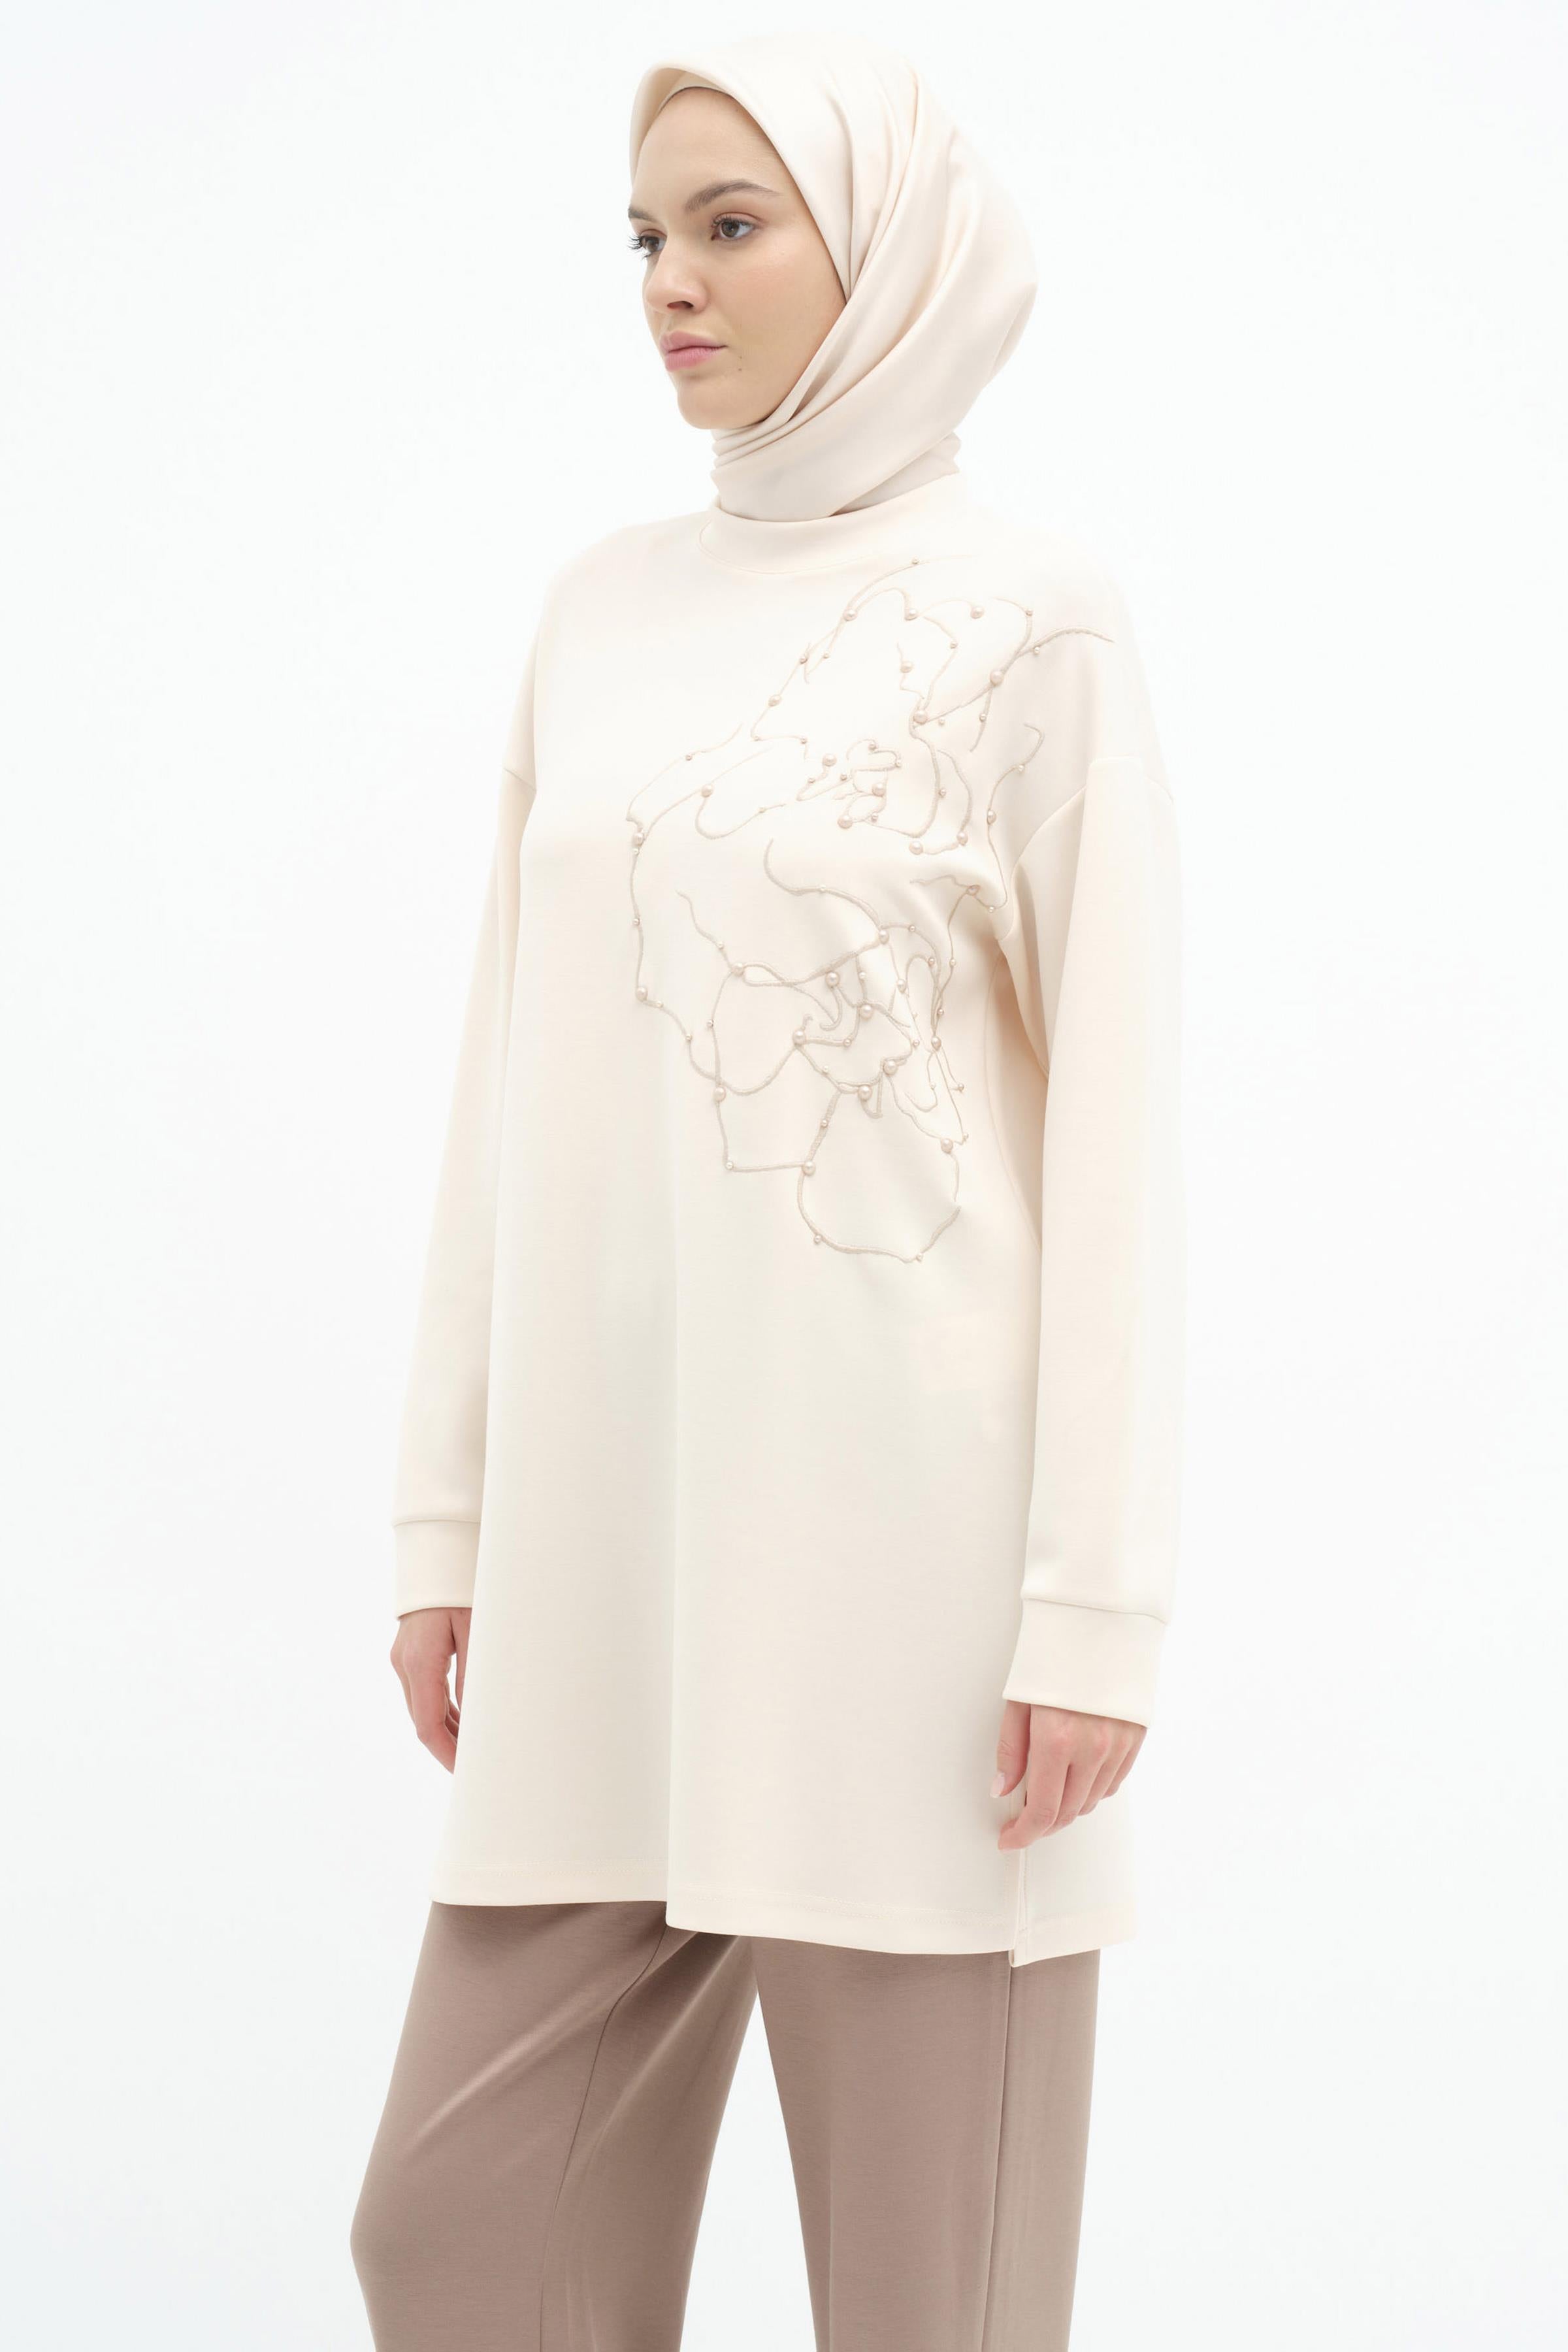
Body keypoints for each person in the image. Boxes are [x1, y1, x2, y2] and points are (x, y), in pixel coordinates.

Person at [350, 29, 1183, 2352]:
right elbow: (507, 1073)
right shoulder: (598, 611)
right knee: (454, 2235)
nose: (669, 284)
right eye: (646, 234)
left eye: (731, 225)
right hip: (609, 1555)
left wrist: (1090, 1614)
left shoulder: (1033, 618)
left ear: (885, 246)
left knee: (926, 2307)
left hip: (913, 1590)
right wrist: (448, 1516)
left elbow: (1121, 1132)